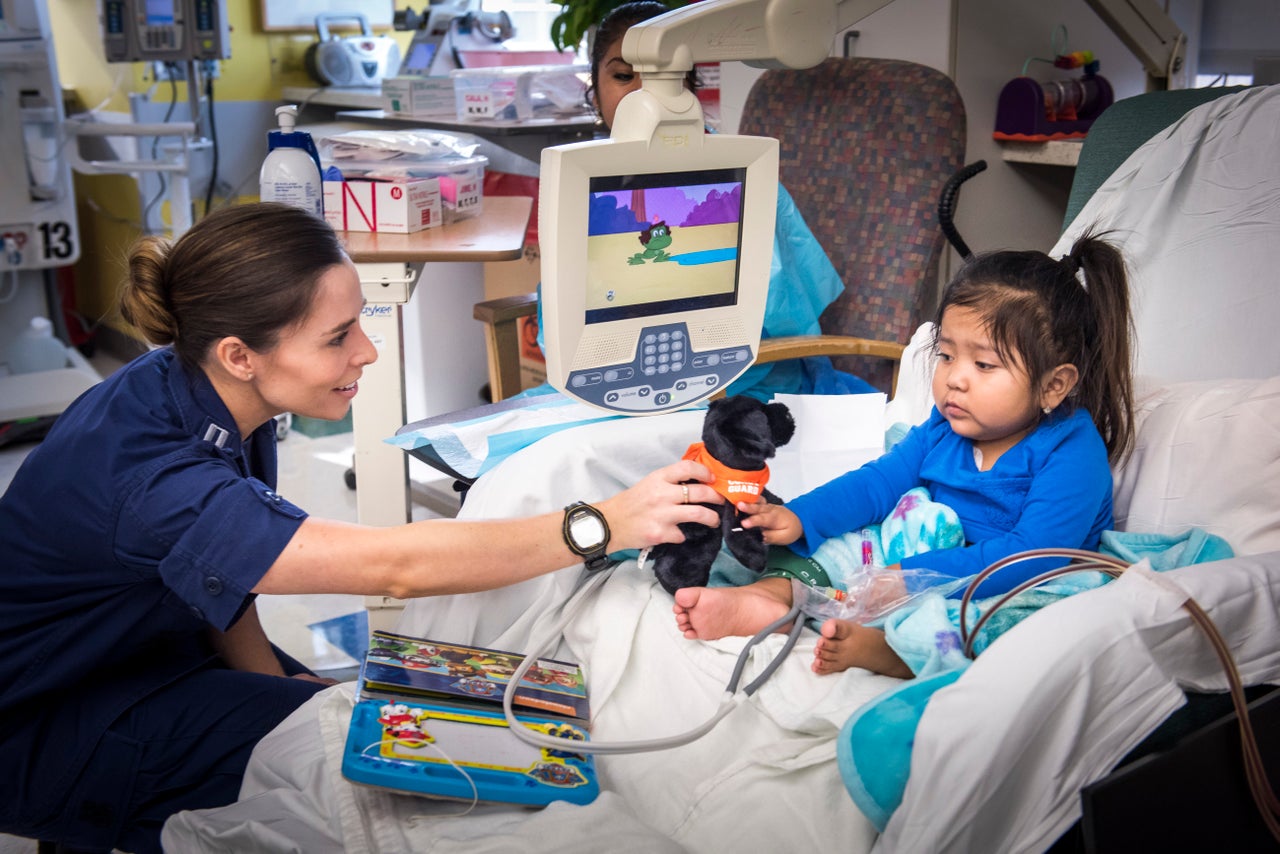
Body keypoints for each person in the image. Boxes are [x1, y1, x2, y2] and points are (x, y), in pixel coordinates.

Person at [0, 203, 724, 853]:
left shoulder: (200, 390)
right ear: (240, 355)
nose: (367, 353)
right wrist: (599, 525)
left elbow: (222, 579)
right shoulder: (157, 481)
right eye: (338, 336)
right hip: (49, 723)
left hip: (142, 650)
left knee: (327, 713)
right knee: (375, 786)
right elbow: (392, 567)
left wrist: (274, 683)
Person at [673, 233, 1136, 678]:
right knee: (839, 545)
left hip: (1010, 582)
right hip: (920, 553)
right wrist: (799, 517)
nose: (955, 378)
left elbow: (1032, 557)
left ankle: (890, 651)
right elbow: (878, 483)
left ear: (1054, 385)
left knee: (1010, 627)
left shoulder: (1071, 453)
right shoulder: (944, 426)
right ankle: (768, 597)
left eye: (984, 365)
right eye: (947, 355)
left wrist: (915, 576)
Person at [523, 0, 877, 402]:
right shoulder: (583, 180)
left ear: (686, 85)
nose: (644, 95)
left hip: (739, 382)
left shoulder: (734, 177)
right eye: (623, 76)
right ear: (594, 88)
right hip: (601, 382)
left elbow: (785, 314)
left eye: (661, 80)